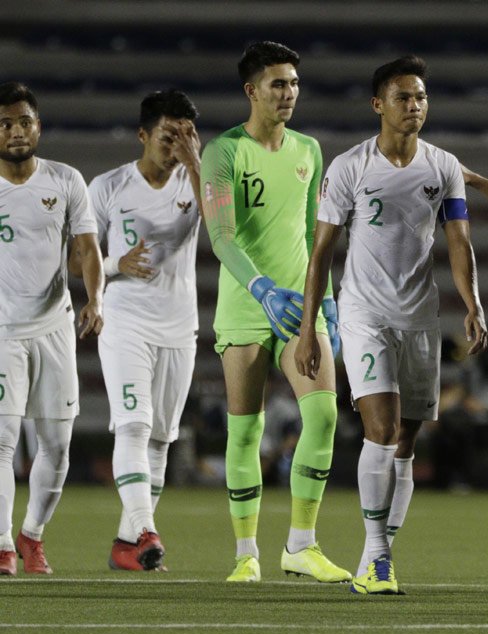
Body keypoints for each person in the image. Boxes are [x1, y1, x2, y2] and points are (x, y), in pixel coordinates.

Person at [296, 55, 487, 595]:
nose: (415, 106)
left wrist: (470, 303)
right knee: (380, 430)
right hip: (364, 315)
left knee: (405, 441)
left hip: (420, 317)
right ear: (379, 105)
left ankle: (376, 554)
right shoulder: (350, 167)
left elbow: (459, 241)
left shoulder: (443, 166)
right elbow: (321, 253)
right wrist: (311, 328)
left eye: (421, 97)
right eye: (404, 97)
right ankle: (377, 556)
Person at [201, 41, 349, 584]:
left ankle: (301, 546)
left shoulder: (309, 150)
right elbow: (220, 235)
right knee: (245, 431)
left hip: (300, 310)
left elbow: (317, 236)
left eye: (293, 84)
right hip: (246, 305)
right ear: (251, 91)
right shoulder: (224, 152)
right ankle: (246, 555)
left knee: (325, 414)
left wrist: (326, 302)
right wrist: (261, 288)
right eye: (277, 85)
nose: (288, 94)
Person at [84, 90, 201, 572]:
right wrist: (113, 264)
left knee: (159, 439)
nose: (175, 144)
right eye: (167, 135)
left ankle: (125, 542)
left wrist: (197, 165)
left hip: (180, 325)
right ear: (143, 135)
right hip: (126, 319)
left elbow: (225, 223)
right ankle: (146, 528)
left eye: (185, 135)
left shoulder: (198, 183)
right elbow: (78, 256)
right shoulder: (109, 186)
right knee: (133, 424)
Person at [0, 81, 104, 576]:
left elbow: (87, 247)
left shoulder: (65, 180)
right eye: (5, 124)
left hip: (55, 328)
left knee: (57, 444)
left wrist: (95, 298)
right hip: (2, 332)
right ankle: (1, 544)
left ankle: (32, 535)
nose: (16, 132)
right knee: (1, 441)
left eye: (24, 121)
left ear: (38, 126)